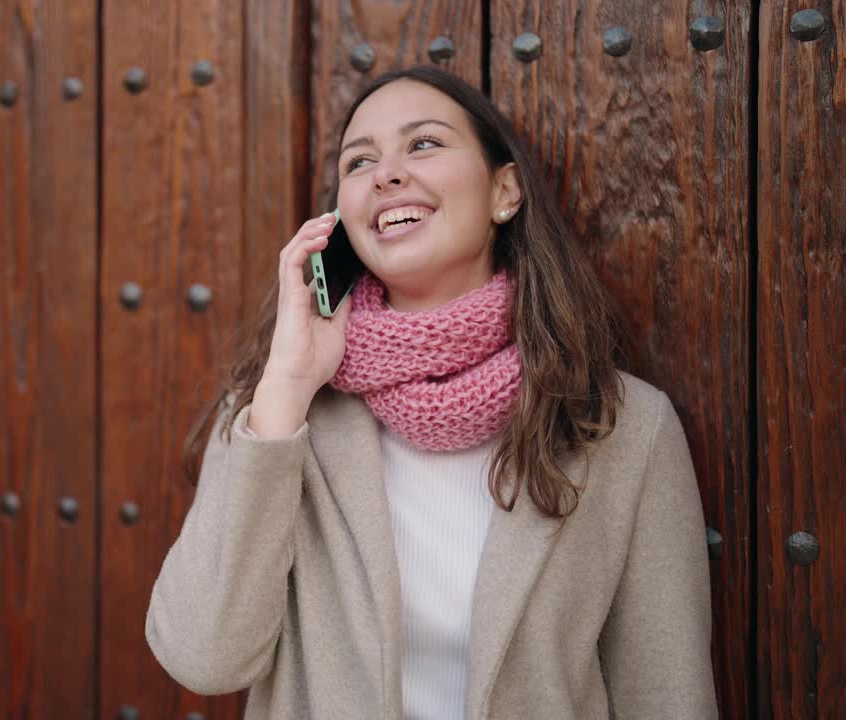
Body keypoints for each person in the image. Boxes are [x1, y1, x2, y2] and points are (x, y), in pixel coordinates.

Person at [145, 66, 718, 719]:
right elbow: (205, 659)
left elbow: (666, 694)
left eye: (423, 144)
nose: (386, 173)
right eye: (360, 161)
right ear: (343, 219)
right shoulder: (280, 412)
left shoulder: (623, 425)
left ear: (505, 191)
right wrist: (286, 387)